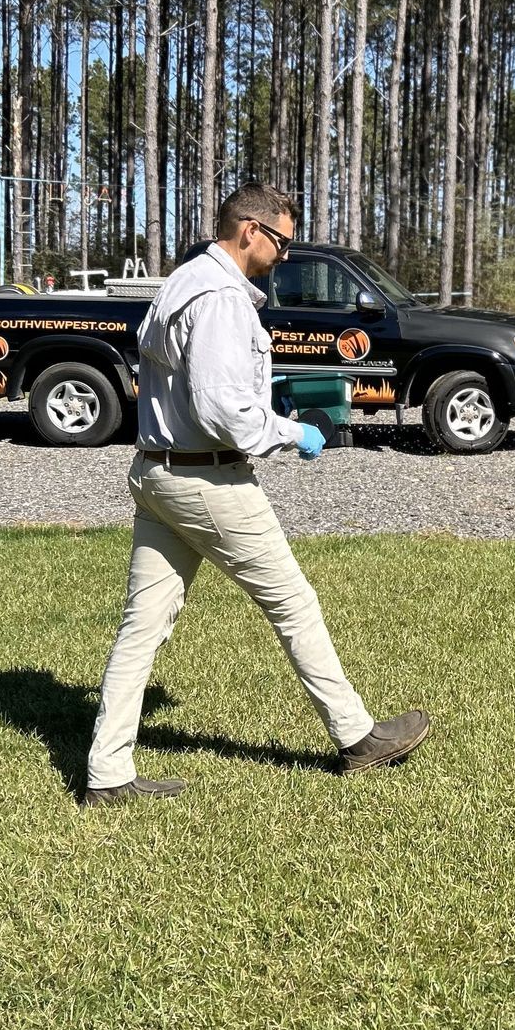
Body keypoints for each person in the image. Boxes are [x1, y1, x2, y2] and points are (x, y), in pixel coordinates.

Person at [82, 183, 432, 807]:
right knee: (293, 602)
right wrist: (296, 433)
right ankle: (356, 737)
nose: (284, 255)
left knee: (143, 625)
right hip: (208, 476)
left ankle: (107, 773)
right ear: (249, 230)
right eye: (281, 241)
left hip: (159, 471)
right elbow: (222, 411)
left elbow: (200, 385)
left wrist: (269, 402)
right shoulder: (220, 297)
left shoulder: (184, 282)